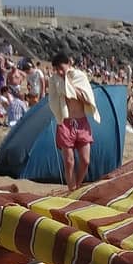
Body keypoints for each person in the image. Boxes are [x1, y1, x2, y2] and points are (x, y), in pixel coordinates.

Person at [46, 53, 100, 192]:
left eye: (60, 68)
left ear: (68, 64)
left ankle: (77, 185)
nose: (58, 71)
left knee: (85, 160)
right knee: (69, 162)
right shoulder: (55, 81)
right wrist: (63, 84)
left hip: (81, 122)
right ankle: (72, 189)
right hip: (65, 122)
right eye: (56, 69)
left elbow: (88, 97)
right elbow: (52, 100)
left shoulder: (79, 76)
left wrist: (70, 87)